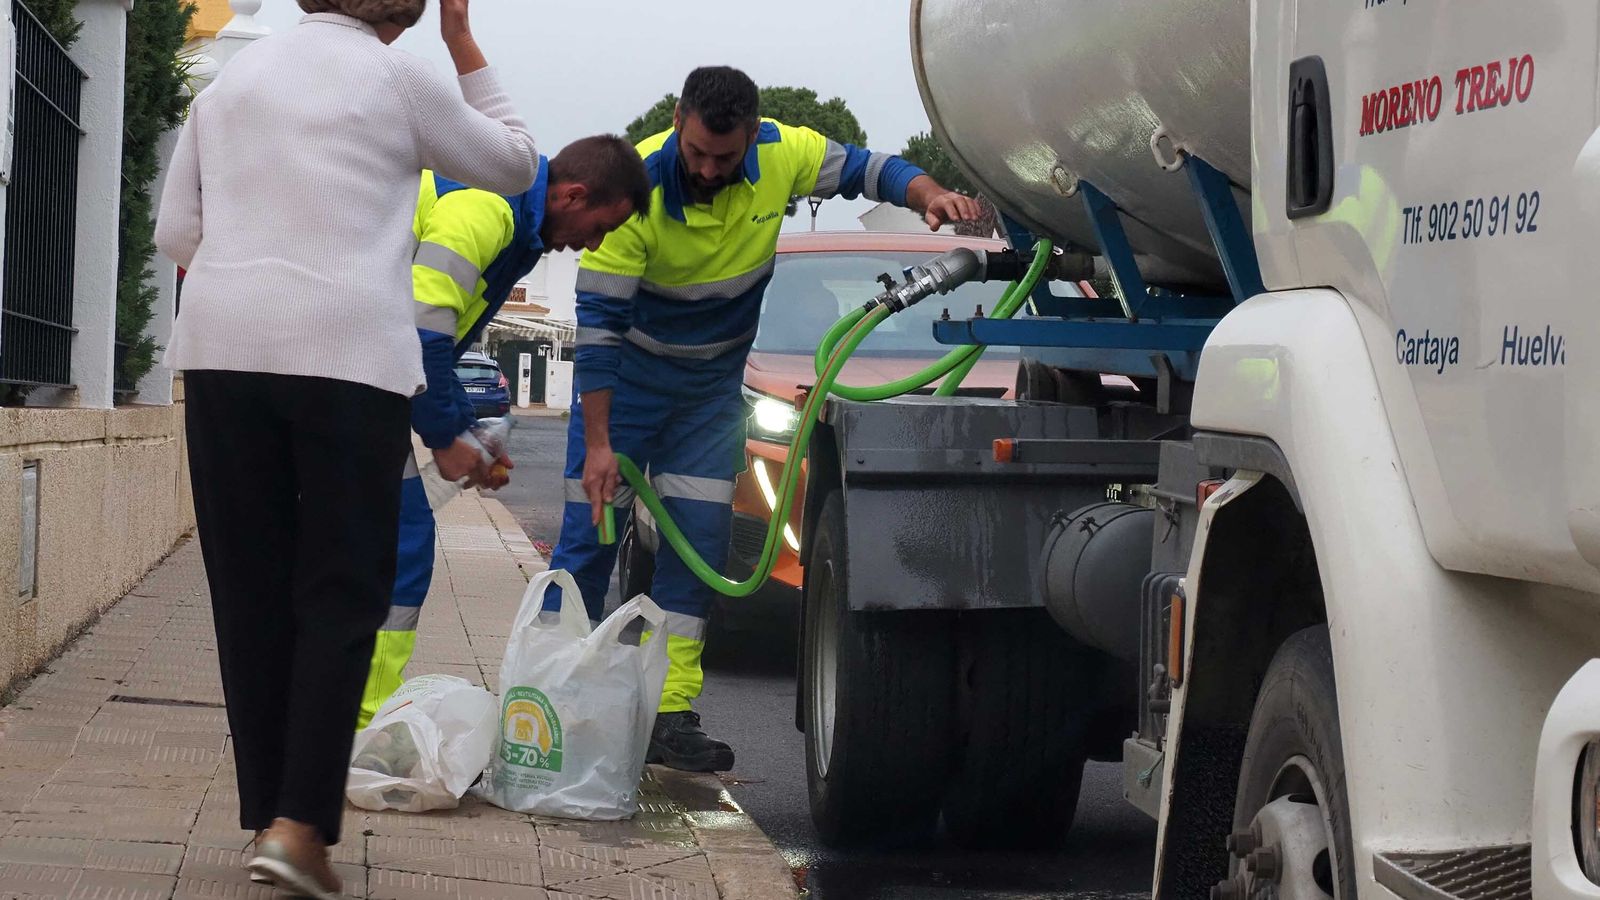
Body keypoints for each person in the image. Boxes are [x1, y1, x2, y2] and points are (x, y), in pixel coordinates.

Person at [154, 0, 538, 894]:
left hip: (223, 350)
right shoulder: (398, 74)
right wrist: (463, 41)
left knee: (249, 584)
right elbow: (515, 163)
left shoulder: (231, 78)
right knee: (339, 588)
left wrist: (257, 265)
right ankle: (298, 827)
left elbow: (177, 234)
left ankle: (271, 815)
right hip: (345, 361)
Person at [548, 65, 980, 772]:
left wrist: (927, 192)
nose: (710, 169)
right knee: (586, 543)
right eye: (696, 154)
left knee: (698, 549)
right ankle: (561, 703)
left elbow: (868, 169)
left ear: (751, 134)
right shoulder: (638, 189)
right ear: (681, 122)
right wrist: (599, 444)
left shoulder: (785, 152)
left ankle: (670, 711)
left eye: (725, 156)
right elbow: (597, 330)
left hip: (708, 397)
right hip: (626, 390)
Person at [358, 135, 652, 727]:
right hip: (344, 371)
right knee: (399, 550)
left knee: (367, 549)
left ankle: (343, 711)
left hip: (350, 370)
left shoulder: (510, 217)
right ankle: (356, 721)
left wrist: (466, 432)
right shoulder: (489, 205)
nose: (590, 245)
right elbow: (424, 326)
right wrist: (446, 437)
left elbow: (428, 335)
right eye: (599, 226)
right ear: (571, 194)